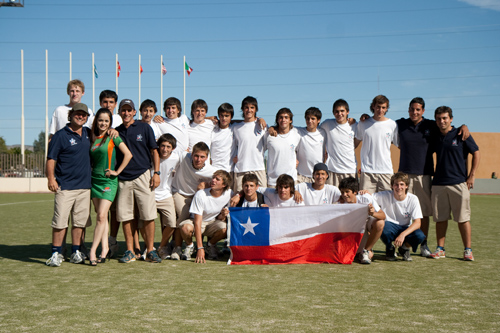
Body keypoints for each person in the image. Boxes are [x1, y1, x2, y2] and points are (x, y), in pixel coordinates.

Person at [396, 97, 469, 257]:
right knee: (403, 212)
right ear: (408, 110)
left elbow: (448, 129)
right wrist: (362, 118)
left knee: (424, 213)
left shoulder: (431, 125)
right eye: (412, 109)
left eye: (418, 109)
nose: (414, 112)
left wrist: (463, 126)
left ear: (422, 111)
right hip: (404, 176)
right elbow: (382, 124)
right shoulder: (401, 124)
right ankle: (405, 246)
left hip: (424, 175)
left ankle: (423, 244)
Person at [430, 106, 480, 261]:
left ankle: (468, 250)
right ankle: (440, 249)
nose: (442, 121)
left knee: (463, 218)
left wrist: (471, 176)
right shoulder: (435, 135)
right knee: (440, 218)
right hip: (438, 183)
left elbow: (476, 152)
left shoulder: (461, 133)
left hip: (459, 183)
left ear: (451, 119)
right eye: (438, 118)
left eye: (445, 118)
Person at [115, 99, 161, 264]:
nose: (126, 113)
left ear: (134, 112)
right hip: (123, 178)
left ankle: (150, 250)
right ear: (120, 112)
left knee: (148, 215)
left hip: (143, 176)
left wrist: (156, 173)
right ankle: (130, 250)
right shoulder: (116, 131)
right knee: (126, 216)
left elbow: (154, 151)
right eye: (123, 110)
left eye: (129, 110)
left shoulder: (144, 127)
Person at [45, 103, 93, 267]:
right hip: (65, 186)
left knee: (79, 223)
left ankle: (75, 251)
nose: (81, 117)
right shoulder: (60, 135)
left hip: (84, 187)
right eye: (78, 114)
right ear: (71, 115)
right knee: (60, 223)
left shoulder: (88, 133)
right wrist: (51, 179)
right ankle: (56, 253)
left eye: (84, 115)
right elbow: (51, 159)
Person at [88, 108, 132, 266]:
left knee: (101, 216)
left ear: (110, 123)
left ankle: (93, 250)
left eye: (106, 121)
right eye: (100, 120)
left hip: (108, 182)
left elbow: (128, 155)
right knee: (102, 217)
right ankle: (105, 248)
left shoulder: (113, 136)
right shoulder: (92, 137)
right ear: (96, 121)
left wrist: (117, 171)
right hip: (94, 181)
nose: (103, 123)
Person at [170, 142, 217, 260]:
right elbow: (169, 157)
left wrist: (206, 184)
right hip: (180, 193)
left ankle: (194, 246)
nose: (198, 159)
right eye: (196, 156)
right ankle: (177, 247)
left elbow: (222, 182)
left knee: (200, 221)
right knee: (182, 216)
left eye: (202, 157)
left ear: (207, 158)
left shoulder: (211, 171)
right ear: (191, 154)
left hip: (197, 198)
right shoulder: (184, 157)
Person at [179, 170, 233, 263]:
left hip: (211, 222)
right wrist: (200, 247)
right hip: (196, 221)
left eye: (217, 179)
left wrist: (223, 215)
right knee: (185, 228)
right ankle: (190, 246)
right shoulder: (201, 194)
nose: (213, 180)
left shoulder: (229, 193)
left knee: (225, 228)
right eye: (213, 178)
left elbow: (220, 218)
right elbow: (197, 222)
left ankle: (210, 245)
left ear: (224, 185)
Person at [373, 172, 426, 262]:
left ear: (406, 186)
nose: (399, 187)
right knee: (382, 226)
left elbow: (417, 223)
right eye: (396, 184)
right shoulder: (384, 195)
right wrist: (365, 192)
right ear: (392, 186)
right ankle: (389, 248)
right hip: (390, 226)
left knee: (420, 236)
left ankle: (404, 248)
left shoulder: (413, 199)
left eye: (402, 184)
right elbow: (370, 197)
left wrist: (403, 235)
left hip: (405, 228)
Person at [355, 95, 398, 193]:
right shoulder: (363, 123)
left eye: (383, 107)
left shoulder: (392, 125)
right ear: (373, 106)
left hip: (386, 172)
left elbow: (398, 145)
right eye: (378, 107)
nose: (380, 110)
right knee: (366, 203)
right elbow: (354, 143)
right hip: (367, 172)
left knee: (386, 204)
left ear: (387, 108)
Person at [338, 177, 386, 264]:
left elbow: (383, 216)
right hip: (352, 230)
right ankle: (362, 251)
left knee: (380, 223)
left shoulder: (366, 198)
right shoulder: (340, 203)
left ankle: (366, 251)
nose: (344, 195)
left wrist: (372, 213)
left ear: (355, 192)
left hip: (365, 227)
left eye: (347, 191)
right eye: (342, 192)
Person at [98, 89, 122, 257]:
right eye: (105, 102)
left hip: (117, 173)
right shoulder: (95, 119)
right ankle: (102, 243)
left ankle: (112, 240)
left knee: (115, 211)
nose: (108, 105)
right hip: (100, 174)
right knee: (101, 212)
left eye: (111, 102)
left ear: (115, 104)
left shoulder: (121, 118)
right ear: (101, 103)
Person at [320, 99, 360, 186]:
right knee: (333, 199)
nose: (339, 114)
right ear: (333, 112)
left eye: (342, 111)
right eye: (337, 111)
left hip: (349, 170)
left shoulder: (355, 125)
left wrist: (365, 116)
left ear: (347, 112)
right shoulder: (327, 124)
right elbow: (314, 131)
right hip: (332, 170)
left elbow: (356, 142)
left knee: (349, 199)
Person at [232, 96, 268, 192]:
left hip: (258, 167)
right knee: (238, 199)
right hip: (241, 168)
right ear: (242, 109)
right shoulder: (236, 128)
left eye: (252, 107)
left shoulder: (263, 126)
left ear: (256, 109)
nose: (249, 110)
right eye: (246, 107)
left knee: (262, 197)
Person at [155, 134, 182, 260]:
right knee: (144, 222)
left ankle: (161, 247)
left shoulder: (176, 158)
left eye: (168, 147)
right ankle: (146, 248)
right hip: (149, 194)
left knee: (172, 223)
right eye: (162, 146)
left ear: (172, 148)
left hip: (166, 194)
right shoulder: (151, 155)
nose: (165, 149)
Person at [264, 108, 301, 187]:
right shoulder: (269, 135)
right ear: (277, 120)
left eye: (286, 117)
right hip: (273, 182)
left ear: (290, 120)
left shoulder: (296, 134)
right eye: (281, 117)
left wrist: (296, 159)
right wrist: (270, 128)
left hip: (291, 181)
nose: (283, 120)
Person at [210, 103, 235, 173]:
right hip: (214, 170)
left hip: (229, 170)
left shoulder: (235, 128)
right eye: (221, 115)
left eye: (227, 116)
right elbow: (199, 121)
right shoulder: (212, 130)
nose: (224, 118)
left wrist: (260, 119)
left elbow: (248, 121)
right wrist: (208, 118)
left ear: (231, 117)